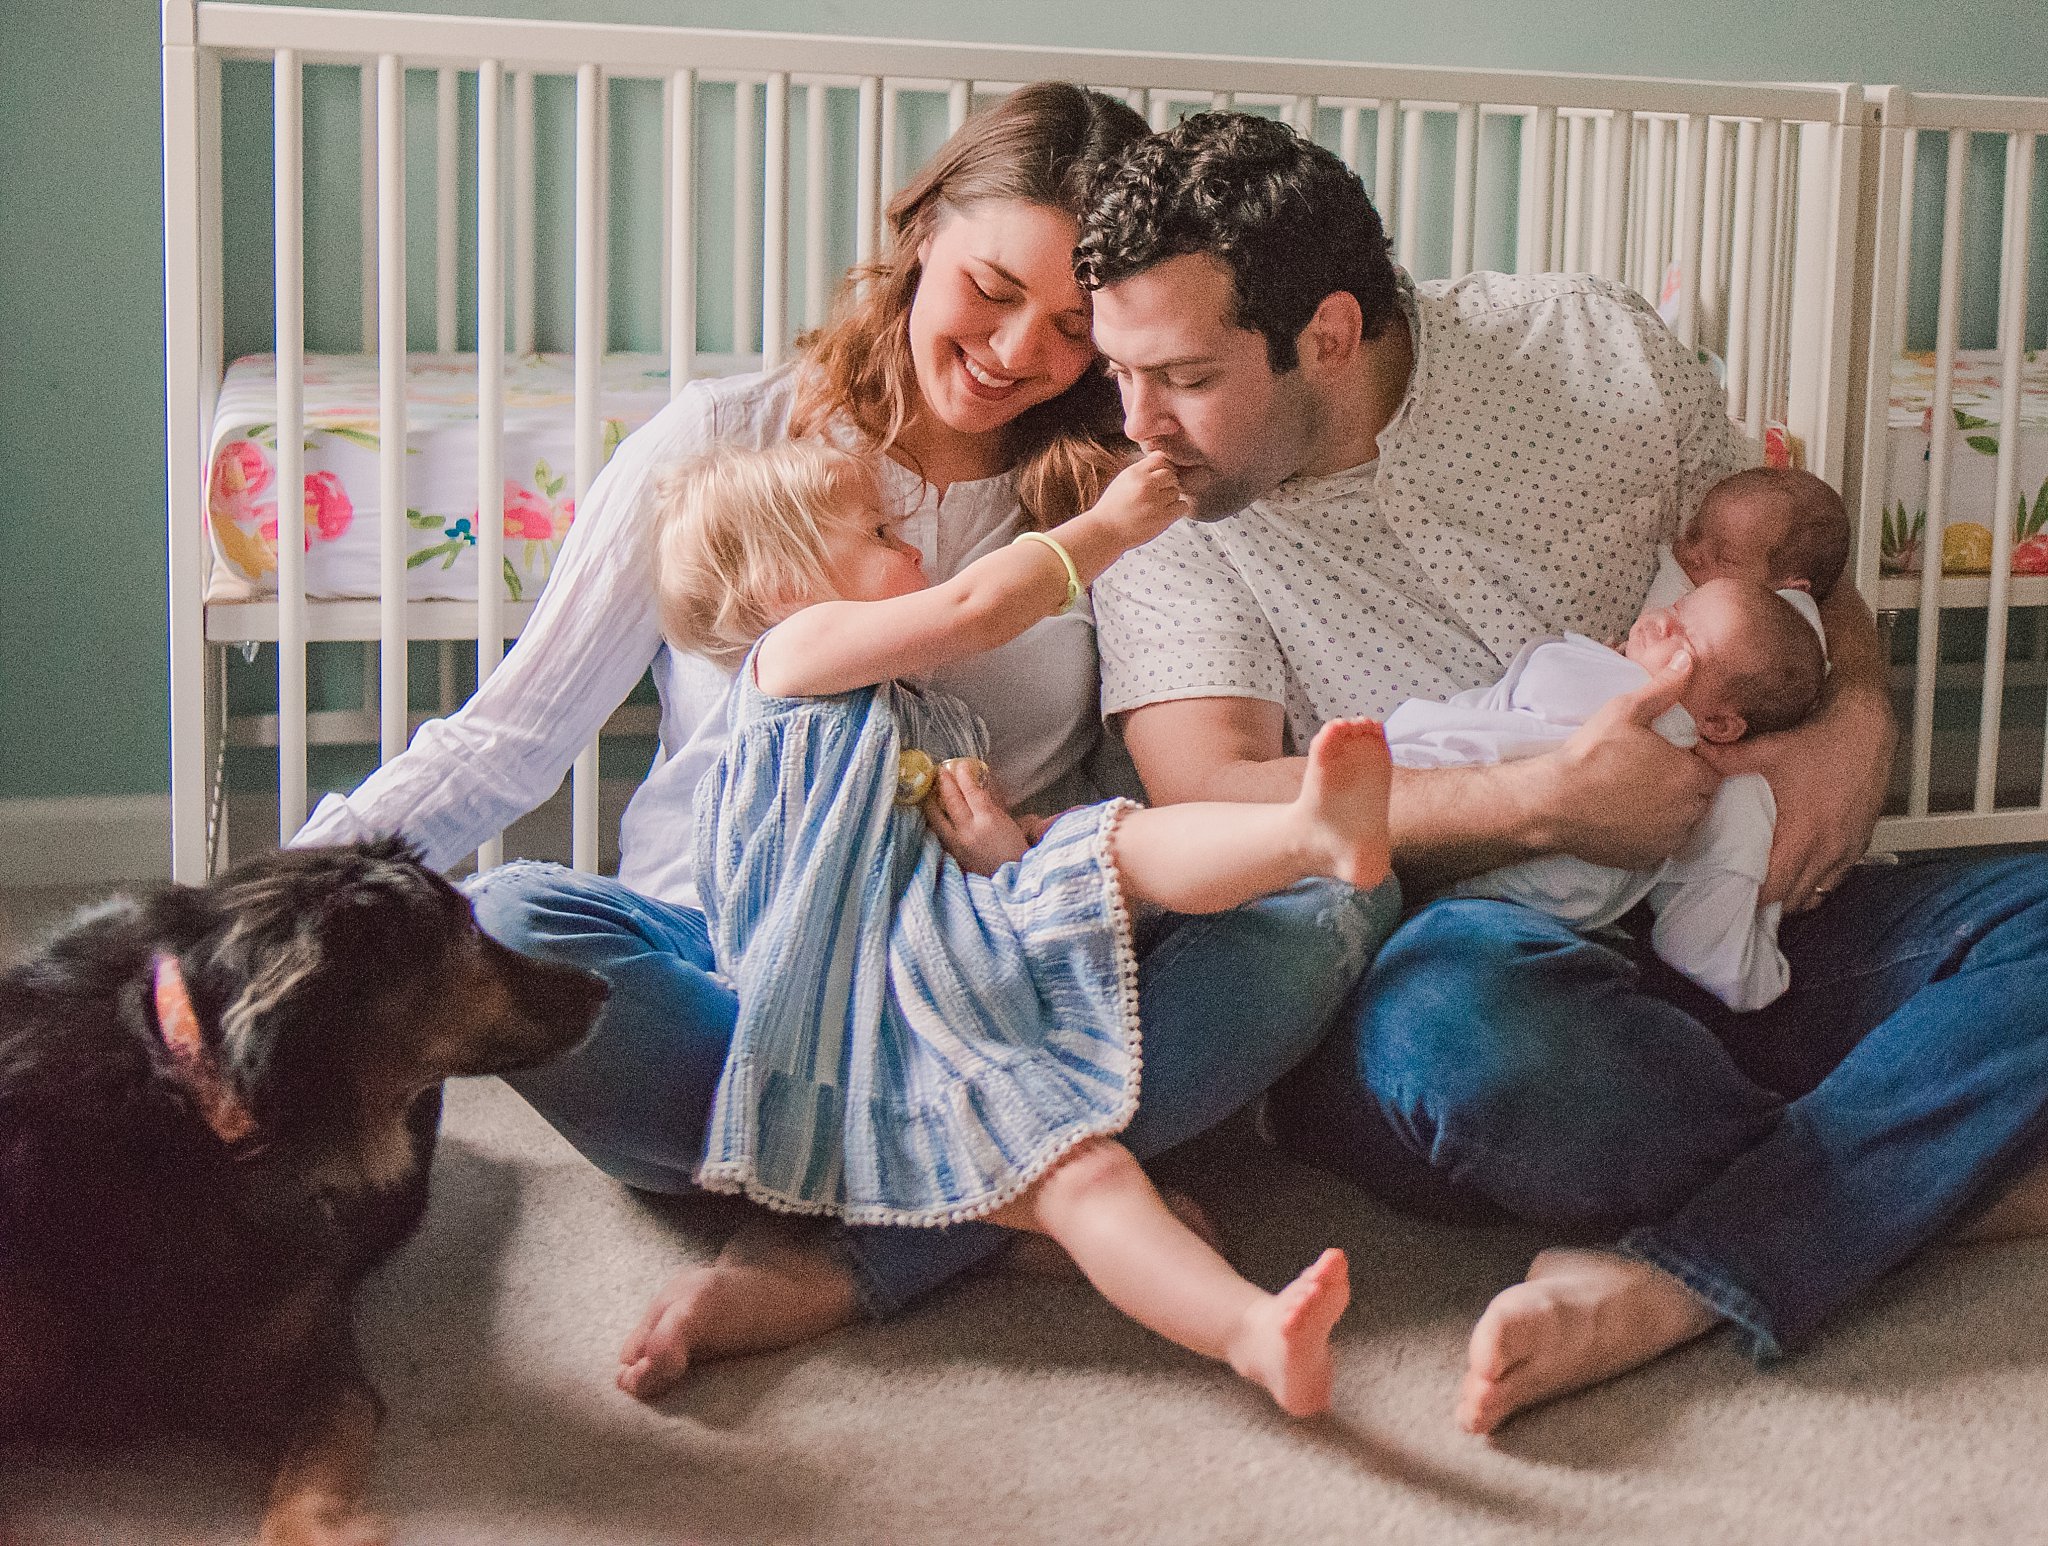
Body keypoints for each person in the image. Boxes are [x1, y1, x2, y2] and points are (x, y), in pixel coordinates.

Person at [294, 84, 1399, 1401]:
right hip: (740, 980)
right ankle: (1009, 1203)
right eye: (992, 287)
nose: (1014, 353)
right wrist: (277, 909)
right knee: (510, 924)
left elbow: (1134, 783)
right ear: (922, 229)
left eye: (1067, 328)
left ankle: (851, 1253)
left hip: (981, 967)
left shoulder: (1119, 479)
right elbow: (511, 740)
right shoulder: (729, 454)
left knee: (1325, 906)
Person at [1075, 109, 2048, 1435]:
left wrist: (1857, 717)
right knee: (1477, 1054)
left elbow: (1792, 570)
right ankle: (1937, 1159)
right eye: (1119, 370)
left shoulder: (1589, 344)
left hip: (1739, 896)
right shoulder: (1162, 512)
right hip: (1469, 962)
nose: (1140, 423)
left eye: (1182, 375)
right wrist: (1537, 802)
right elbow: (1209, 789)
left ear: (1332, 334)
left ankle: (1676, 1270)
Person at [650, 439, 1391, 1415]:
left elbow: (958, 869)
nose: (911, 546)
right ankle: (1245, 1327)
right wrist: (1112, 527)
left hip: (950, 974)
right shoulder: (788, 660)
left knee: (1100, 866)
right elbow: (973, 608)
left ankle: (1301, 836)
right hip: (870, 1018)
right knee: (1088, 1163)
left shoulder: (917, 715)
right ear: (787, 580)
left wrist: (1004, 847)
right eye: (878, 532)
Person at [1386, 577, 1827, 1010]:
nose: (1661, 622)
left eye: (1688, 642)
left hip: (1502, 915)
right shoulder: (1731, 796)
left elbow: (1544, 672)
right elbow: (1704, 948)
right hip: (1445, 831)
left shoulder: (1721, 790)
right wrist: (1760, 956)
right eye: (1677, 608)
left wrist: (1764, 920)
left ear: (1720, 725)